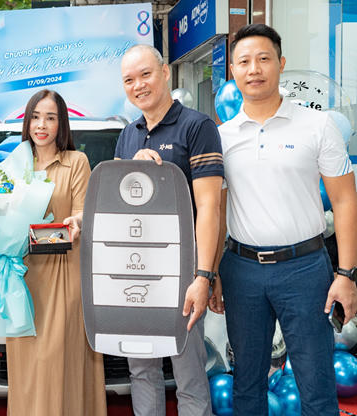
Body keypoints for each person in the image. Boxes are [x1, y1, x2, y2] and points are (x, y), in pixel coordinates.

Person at [213, 24, 357, 416]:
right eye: (244, 61)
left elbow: (345, 200)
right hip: (242, 270)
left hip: (305, 270)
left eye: (264, 59)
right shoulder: (221, 137)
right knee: (247, 384)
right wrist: (212, 272)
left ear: (281, 63)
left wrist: (346, 274)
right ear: (233, 71)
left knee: (316, 385)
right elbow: (215, 213)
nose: (254, 69)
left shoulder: (317, 125)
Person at [0, 89, 107, 415]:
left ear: (61, 123)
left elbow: (82, 212)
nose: (41, 125)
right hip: (19, 282)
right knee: (27, 368)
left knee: (59, 363)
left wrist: (77, 222)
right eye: (35, 117)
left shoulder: (76, 162)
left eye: (50, 118)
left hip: (63, 276)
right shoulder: (12, 166)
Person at [114, 44, 223, 416]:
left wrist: (203, 276)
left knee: (188, 370)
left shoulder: (197, 126)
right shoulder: (127, 136)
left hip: (181, 271)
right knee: (141, 369)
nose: (139, 85)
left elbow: (209, 207)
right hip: (135, 268)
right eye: (129, 80)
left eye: (145, 74)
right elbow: (118, 207)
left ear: (164, 73)